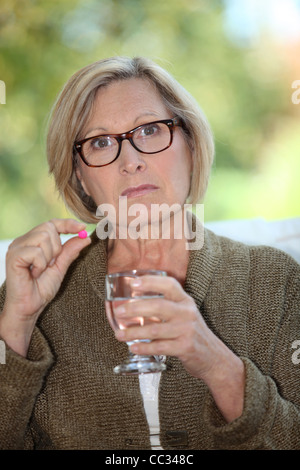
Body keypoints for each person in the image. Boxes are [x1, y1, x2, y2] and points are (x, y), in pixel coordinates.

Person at [0, 56, 299, 450]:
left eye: (151, 130)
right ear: (79, 174)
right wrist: (16, 324)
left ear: (190, 144)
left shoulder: (275, 281)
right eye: (101, 142)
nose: (131, 161)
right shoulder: (33, 295)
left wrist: (217, 365)